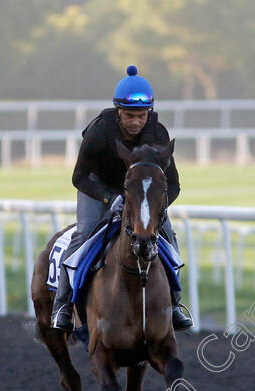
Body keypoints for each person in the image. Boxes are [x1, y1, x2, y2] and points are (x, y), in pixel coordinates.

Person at [51, 65, 194, 333]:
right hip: (98, 187)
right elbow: (78, 177)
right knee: (83, 234)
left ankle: (174, 304)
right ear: (118, 111)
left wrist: (152, 210)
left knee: (168, 237)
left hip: (141, 194)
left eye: (141, 116)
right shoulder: (98, 132)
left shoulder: (159, 134)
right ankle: (63, 306)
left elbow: (173, 184)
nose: (136, 122)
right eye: (129, 115)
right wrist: (108, 199)